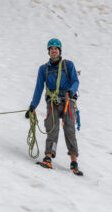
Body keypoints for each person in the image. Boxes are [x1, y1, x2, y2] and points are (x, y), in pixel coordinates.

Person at [26, 38, 81, 175]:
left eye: (56, 48)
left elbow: (75, 81)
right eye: (51, 48)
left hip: (67, 102)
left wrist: (71, 91)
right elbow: (38, 89)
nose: (54, 50)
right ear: (48, 52)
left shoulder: (68, 65)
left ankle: (74, 162)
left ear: (60, 51)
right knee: (52, 129)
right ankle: (48, 157)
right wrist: (33, 106)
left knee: (69, 131)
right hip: (52, 103)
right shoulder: (43, 69)